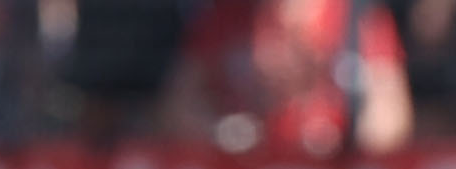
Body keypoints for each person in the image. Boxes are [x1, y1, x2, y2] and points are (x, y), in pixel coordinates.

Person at [159, 0, 412, 155]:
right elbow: (177, 108)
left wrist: (347, 141)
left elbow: (392, 118)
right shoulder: (223, 17)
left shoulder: (360, 18)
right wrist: (223, 135)